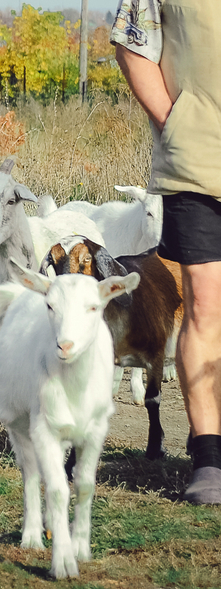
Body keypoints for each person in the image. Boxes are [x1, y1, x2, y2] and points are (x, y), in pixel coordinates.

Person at [111, 0, 221, 503]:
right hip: (200, 167)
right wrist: (176, 123)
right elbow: (133, 43)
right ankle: (208, 458)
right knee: (206, 307)